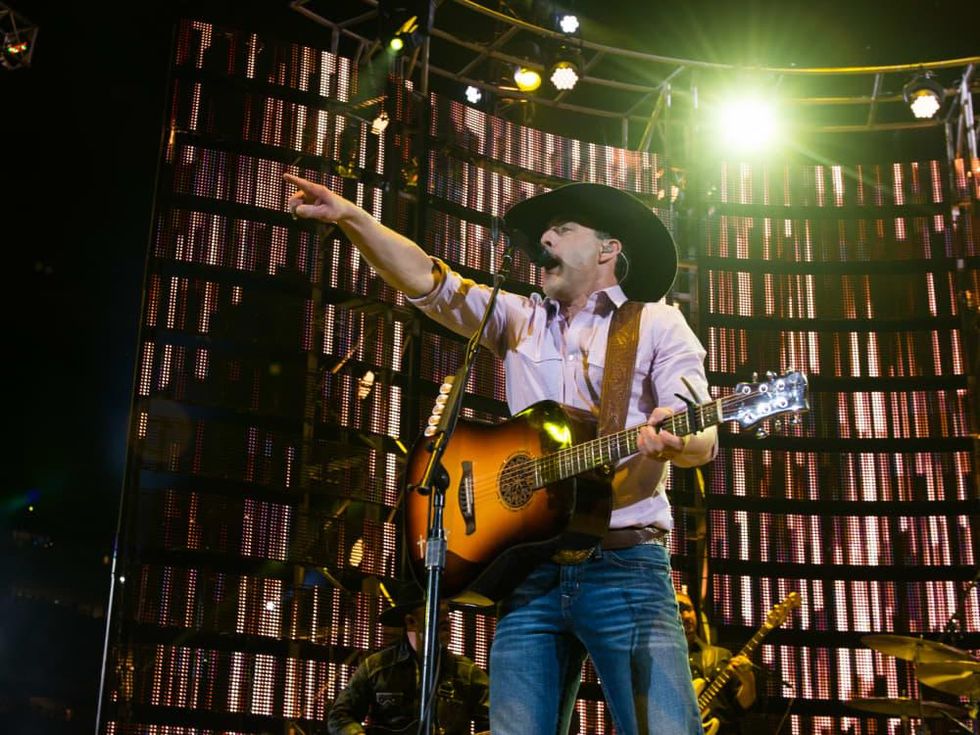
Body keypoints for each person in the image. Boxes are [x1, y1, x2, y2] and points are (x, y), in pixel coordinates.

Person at [285, 172, 718, 734]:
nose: (545, 240)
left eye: (562, 229)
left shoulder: (657, 322)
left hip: (624, 566)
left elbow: (703, 435)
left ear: (608, 249)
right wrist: (351, 217)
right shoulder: (519, 318)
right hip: (528, 572)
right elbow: (426, 280)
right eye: (545, 232)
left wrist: (675, 440)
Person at [326, 581, 489, 735]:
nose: (446, 620)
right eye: (437, 614)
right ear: (410, 621)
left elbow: (497, 720)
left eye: (447, 614)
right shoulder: (376, 667)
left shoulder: (467, 673)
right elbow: (340, 716)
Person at [676, 589, 757, 735]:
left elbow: (742, 706)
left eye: (689, 609)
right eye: (680, 609)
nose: (687, 616)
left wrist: (748, 679)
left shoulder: (720, 656)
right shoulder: (657, 664)